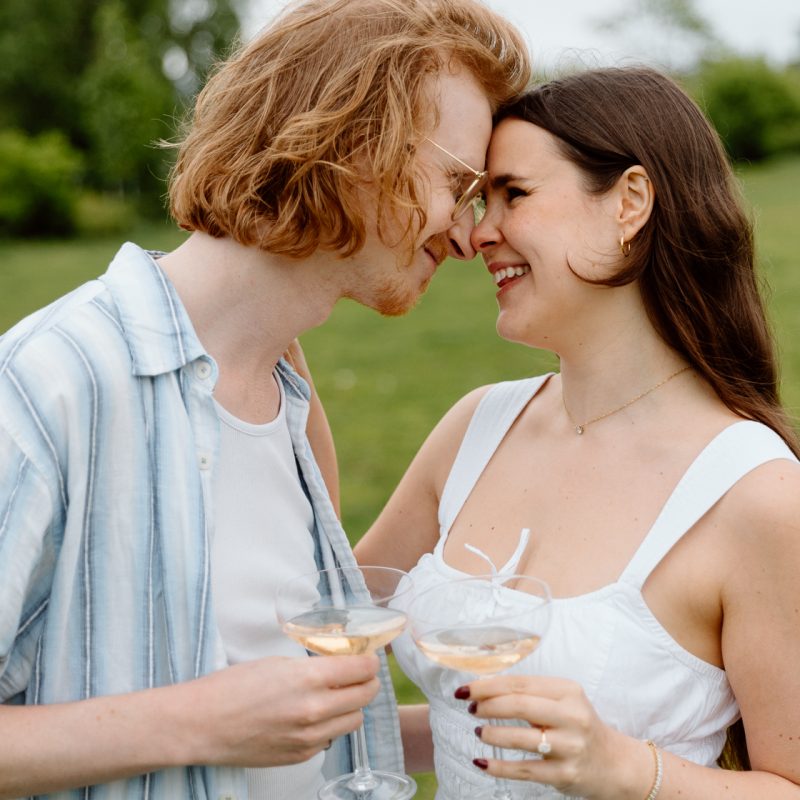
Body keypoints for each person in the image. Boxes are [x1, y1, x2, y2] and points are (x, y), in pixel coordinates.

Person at [0, 1, 531, 797]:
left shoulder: (290, 400)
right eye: (458, 183)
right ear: (351, 141)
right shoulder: (51, 383)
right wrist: (195, 722)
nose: (466, 235)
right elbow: (226, 717)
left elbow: (287, 708)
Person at [356, 66, 800, 798]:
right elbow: (337, 615)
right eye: (476, 199)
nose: (476, 234)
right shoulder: (476, 428)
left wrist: (627, 770)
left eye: (513, 195)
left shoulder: (757, 496)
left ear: (629, 203)